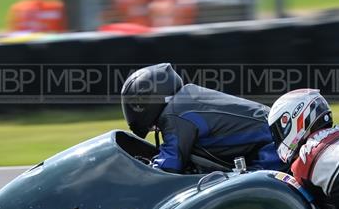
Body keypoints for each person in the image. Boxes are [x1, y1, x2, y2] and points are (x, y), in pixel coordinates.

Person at [121, 63, 282, 174]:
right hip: (275, 140)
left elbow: (170, 165)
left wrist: (143, 172)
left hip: (270, 150)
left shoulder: (175, 114)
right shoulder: (186, 100)